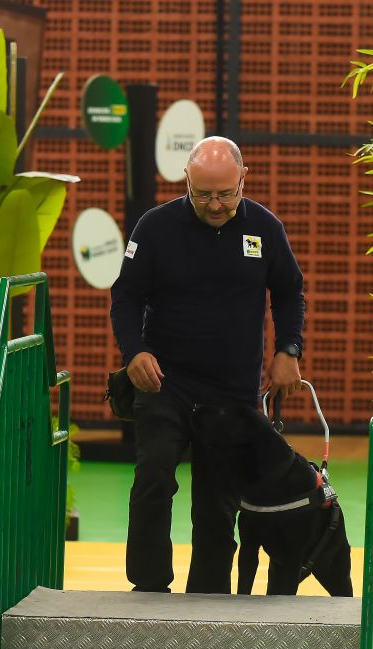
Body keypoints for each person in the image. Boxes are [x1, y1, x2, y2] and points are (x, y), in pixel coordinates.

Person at [109, 136, 306, 593]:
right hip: (166, 384)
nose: (214, 204)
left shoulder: (265, 228)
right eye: (202, 194)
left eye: (225, 194)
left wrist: (288, 350)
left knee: (218, 503)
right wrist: (134, 351)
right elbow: (126, 295)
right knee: (154, 477)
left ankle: (208, 598)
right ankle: (149, 588)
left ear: (243, 178)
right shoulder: (155, 228)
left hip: (232, 392)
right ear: (187, 183)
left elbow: (290, 292)